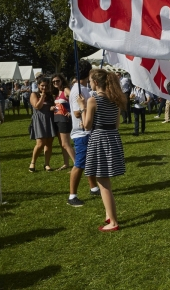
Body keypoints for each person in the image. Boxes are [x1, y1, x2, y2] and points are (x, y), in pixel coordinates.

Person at [77, 69, 126, 232]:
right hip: (112, 137)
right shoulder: (115, 99)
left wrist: (82, 108)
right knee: (105, 180)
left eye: (90, 80)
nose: (89, 83)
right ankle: (108, 213)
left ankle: (113, 222)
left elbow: (87, 125)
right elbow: (117, 124)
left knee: (102, 182)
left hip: (99, 139)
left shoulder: (93, 100)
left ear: (96, 82)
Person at [67, 60, 100, 207]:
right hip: (81, 132)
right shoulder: (78, 90)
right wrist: (87, 109)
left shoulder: (84, 88)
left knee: (89, 161)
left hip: (86, 130)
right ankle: (72, 196)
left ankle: (93, 187)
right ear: (88, 72)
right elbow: (76, 112)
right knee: (79, 164)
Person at [29, 77, 57, 172]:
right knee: (40, 143)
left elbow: (51, 106)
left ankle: (47, 164)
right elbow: (37, 106)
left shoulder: (50, 95)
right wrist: (42, 96)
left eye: (46, 86)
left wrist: (52, 108)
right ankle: (33, 162)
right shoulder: (34, 94)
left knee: (49, 143)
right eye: (42, 86)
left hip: (49, 119)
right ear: (38, 86)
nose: (44, 88)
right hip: (39, 120)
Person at [52, 74, 76, 170]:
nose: (55, 83)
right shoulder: (57, 92)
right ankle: (66, 163)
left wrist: (71, 112)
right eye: (53, 82)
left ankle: (76, 165)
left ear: (62, 80)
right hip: (57, 119)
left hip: (64, 120)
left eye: (57, 81)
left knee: (66, 144)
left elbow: (75, 98)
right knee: (63, 144)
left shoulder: (66, 90)